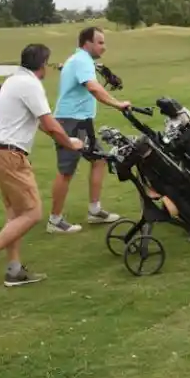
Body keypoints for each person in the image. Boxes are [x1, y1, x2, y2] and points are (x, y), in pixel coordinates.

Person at [0, 43, 85, 288]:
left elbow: (39, 123)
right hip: (10, 156)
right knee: (33, 213)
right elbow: (50, 124)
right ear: (42, 65)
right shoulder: (31, 84)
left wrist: (65, 139)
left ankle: (14, 270)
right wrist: (70, 144)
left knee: (16, 214)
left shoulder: (13, 81)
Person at [47, 26, 132, 234]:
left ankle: (94, 210)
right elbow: (93, 87)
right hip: (70, 123)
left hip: (82, 122)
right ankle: (54, 221)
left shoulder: (80, 60)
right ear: (87, 43)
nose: (104, 47)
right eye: (100, 42)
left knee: (99, 160)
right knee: (66, 171)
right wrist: (117, 103)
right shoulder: (82, 61)